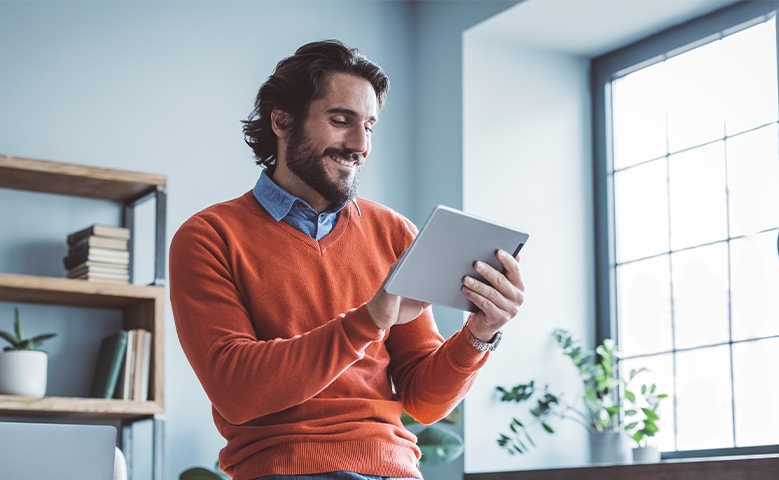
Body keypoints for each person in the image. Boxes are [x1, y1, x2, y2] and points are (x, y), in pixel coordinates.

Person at [169, 40, 527, 480]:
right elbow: (237, 390)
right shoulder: (209, 236)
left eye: (370, 126)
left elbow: (423, 400)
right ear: (282, 121)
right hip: (284, 468)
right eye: (341, 121)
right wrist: (369, 319)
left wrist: (480, 333)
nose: (360, 144)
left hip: (394, 468)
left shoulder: (394, 231)